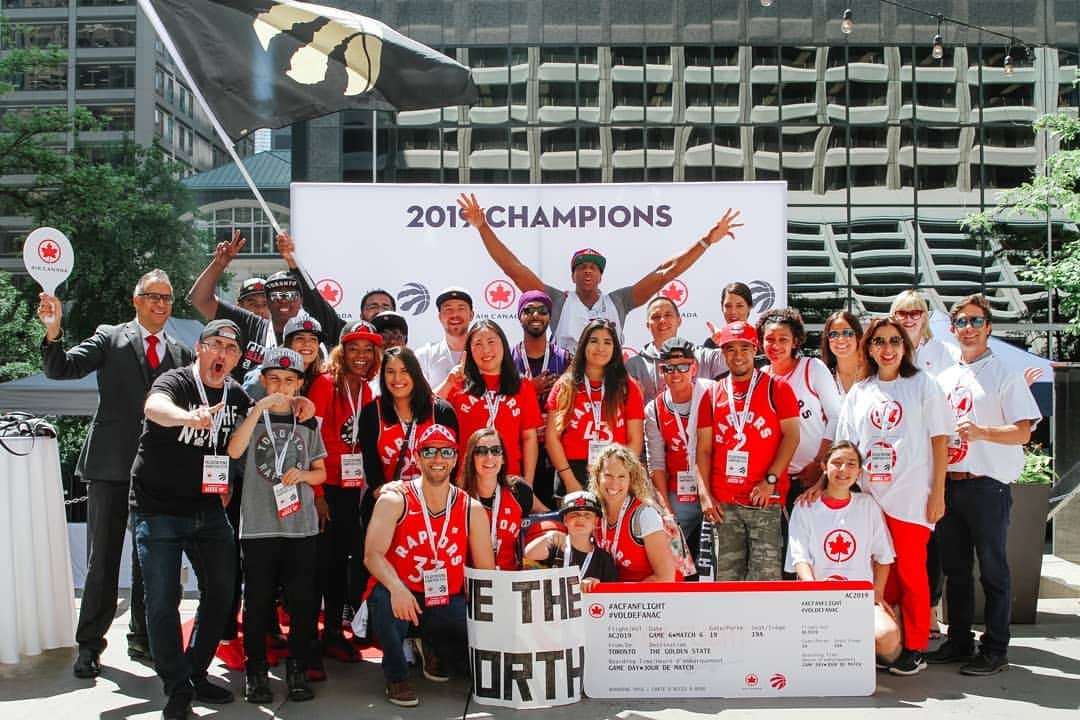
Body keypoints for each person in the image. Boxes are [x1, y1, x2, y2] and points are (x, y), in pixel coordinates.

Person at [38, 270, 194, 678]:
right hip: (109, 468)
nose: (161, 304)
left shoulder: (181, 353)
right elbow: (62, 368)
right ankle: (89, 644)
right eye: (153, 296)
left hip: (158, 474)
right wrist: (54, 330)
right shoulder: (111, 337)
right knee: (102, 563)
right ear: (136, 299)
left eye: (168, 298)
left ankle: (144, 639)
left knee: (153, 562)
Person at [129, 320, 253, 720]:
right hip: (157, 507)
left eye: (231, 350)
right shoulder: (176, 381)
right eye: (215, 345)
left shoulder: (235, 394)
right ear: (199, 348)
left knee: (222, 591)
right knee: (162, 601)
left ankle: (196, 671)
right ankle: (177, 687)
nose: (222, 354)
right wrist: (188, 417)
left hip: (207, 509)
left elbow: (235, 449)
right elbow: (153, 408)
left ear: (236, 359)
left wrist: (274, 406)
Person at [457, 192, 744, 352]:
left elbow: (665, 272)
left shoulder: (619, 302)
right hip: (568, 385)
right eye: (581, 268)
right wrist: (483, 227)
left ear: (601, 276)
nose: (587, 273)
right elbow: (513, 268)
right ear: (573, 275)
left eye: (594, 268)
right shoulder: (557, 301)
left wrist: (706, 240)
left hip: (609, 386)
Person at [927, 295, 1041, 676]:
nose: (969, 329)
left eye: (976, 322)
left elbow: (1023, 431)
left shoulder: (1004, 373)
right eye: (961, 322)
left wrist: (982, 432)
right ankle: (959, 641)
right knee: (956, 571)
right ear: (953, 329)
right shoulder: (944, 377)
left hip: (987, 485)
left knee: (993, 570)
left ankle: (995, 648)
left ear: (988, 327)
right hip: (951, 484)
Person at [834, 316, 951, 676]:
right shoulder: (860, 390)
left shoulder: (923, 385)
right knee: (879, 576)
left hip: (912, 499)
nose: (887, 349)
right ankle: (885, 644)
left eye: (894, 342)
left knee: (912, 574)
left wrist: (938, 494)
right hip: (871, 498)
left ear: (906, 347)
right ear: (868, 347)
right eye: (879, 342)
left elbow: (940, 441)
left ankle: (914, 646)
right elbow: (846, 444)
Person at [363, 425, 495, 707]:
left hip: (445, 597)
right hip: (402, 593)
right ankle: (396, 675)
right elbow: (372, 555)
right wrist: (397, 588)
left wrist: (483, 622)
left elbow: (486, 573)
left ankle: (432, 645)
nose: (438, 458)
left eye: (446, 451)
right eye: (430, 451)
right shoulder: (395, 500)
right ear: (417, 456)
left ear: (456, 458)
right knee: (385, 602)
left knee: (468, 636)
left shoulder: (470, 508)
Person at [226, 347, 326, 704]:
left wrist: (304, 475)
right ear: (263, 382)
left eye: (289, 380)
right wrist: (257, 411)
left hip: (300, 527)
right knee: (257, 601)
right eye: (274, 380)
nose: (281, 387)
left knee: (302, 602)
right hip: (259, 526)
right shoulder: (252, 417)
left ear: (299, 383)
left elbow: (322, 472)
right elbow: (235, 452)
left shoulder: (308, 422)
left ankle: (297, 666)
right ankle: (255, 670)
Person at [695, 321, 800, 582]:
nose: (738, 355)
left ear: (755, 350)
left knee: (764, 584)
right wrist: (705, 495)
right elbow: (703, 449)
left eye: (744, 348)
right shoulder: (712, 394)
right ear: (723, 353)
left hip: (764, 501)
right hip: (724, 506)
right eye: (730, 349)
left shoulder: (778, 388)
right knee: (727, 586)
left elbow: (792, 437)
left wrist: (770, 481)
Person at [306, 320, 384, 665]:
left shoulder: (367, 391)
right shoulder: (325, 385)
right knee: (323, 565)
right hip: (326, 489)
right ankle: (317, 639)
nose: (362, 356)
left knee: (341, 563)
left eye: (368, 349)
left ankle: (336, 632)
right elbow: (308, 441)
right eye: (354, 348)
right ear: (342, 351)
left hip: (351, 489)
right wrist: (318, 492)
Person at [785, 441, 901, 666]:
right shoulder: (805, 506)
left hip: (858, 599)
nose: (843, 470)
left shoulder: (867, 505)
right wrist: (814, 591)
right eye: (836, 463)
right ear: (824, 467)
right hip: (818, 598)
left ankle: (861, 649)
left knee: (889, 642)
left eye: (851, 464)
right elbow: (800, 559)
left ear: (859, 472)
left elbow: (883, 557)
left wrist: (876, 594)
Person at [438, 320, 544, 508]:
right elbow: (427, 410)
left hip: (510, 482)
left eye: (491, 341)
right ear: (469, 351)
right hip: (467, 484)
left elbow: (529, 438)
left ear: (503, 344)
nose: (486, 350)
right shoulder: (458, 386)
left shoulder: (523, 387)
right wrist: (448, 383)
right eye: (478, 344)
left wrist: (527, 484)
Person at [187, 231, 313, 380]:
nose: (259, 310)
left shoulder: (304, 335)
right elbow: (199, 299)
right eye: (252, 303)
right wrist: (219, 264)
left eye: (265, 303)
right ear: (239, 306)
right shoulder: (248, 323)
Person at [546, 319, 645, 496]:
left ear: (615, 348)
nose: (601, 348)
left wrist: (622, 476)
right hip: (572, 470)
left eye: (607, 342)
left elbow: (635, 439)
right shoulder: (565, 386)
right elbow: (552, 438)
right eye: (594, 341)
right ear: (583, 345)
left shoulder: (628, 387)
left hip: (615, 469)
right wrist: (569, 481)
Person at [758, 309, 842, 511]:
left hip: (813, 478)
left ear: (795, 341)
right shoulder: (760, 377)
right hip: (776, 480)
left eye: (783, 339)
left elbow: (836, 417)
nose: (775, 345)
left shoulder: (812, 367)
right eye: (769, 339)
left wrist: (820, 463)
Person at [642, 337, 714, 566]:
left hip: (715, 486)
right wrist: (666, 509)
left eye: (683, 367)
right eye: (668, 368)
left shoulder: (711, 392)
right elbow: (656, 463)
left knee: (719, 554)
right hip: (679, 490)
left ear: (694, 368)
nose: (676, 373)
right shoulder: (654, 408)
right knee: (670, 548)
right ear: (660, 370)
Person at [357, 347, 460, 495]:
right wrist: (383, 492)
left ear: (415, 373)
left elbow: (453, 463)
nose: (397, 379)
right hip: (392, 501)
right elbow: (372, 469)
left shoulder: (441, 411)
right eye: (390, 371)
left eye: (404, 371)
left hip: (434, 501)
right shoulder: (372, 413)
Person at [510, 289, 571, 509]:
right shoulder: (507, 359)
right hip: (521, 449)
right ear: (519, 316)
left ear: (550, 317)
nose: (536, 315)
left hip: (557, 450)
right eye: (529, 310)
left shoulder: (565, 358)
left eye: (542, 310)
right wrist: (529, 390)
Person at [276, 233, 395, 341]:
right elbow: (317, 305)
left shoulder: (401, 348)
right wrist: (292, 261)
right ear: (361, 316)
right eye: (373, 307)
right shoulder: (345, 335)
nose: (379, 311)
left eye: (386, 307)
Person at [588, 444, 676, 582]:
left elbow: (666, 577)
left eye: (621, 476)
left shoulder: (645, 515)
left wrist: (625, 598)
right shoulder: (593, 512)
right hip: (615, 596)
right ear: (597, 477)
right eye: (608, 475)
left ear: (631, 480)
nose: (614, 483)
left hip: (652, 597)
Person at [626, 296, 727, 404]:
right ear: (647, 325)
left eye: (668, 315)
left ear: (679, 321)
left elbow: (737, 359)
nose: (662, 320)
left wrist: (727, 341)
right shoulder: (634, 366)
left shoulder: (701, 356)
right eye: (656, 317)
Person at [459, 428, 535, 570]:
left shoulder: (519, 491)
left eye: (496, 450)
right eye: (481, 451)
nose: (489, 457)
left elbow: (542, 517)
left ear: (503, 458)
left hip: (511, 581)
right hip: (472, 584)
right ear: (471, 457)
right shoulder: (458, 497)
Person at [524, 490, 619, 590]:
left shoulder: (604, 559)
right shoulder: (556, 547)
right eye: (574, 514)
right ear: (565, 520)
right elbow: (529, 554)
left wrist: (597, 585)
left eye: (587, 515)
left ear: (596, 522)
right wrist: (548, 536)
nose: (581, 519)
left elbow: (611, 595)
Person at [414, 286, 474, 388]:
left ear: (471, 315)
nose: (455, 314)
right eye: (448, 309)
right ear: (440, 317)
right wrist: (448, 384)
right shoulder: (425, 355)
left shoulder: (485, 354)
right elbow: (421, 400)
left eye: (461, 308)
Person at [891, 289, 959, 377]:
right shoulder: (885, 352)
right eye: (902, 314)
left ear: (924, 318)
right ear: (893, 318)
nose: (908, 318)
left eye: (914, 313)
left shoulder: (946, 352)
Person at [821, 310, 866, 396]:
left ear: (858, 336)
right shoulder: (824, 376)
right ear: (827, 340)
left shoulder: (873, 373)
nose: (840, 339)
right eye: (833, 334)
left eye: (847, 333)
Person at [702, 281, 754, 348]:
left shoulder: (762, 341)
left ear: (749, 307)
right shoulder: (712, 343)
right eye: (728, 306)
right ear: (722, 307)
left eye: (739, 306)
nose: (733, 312)